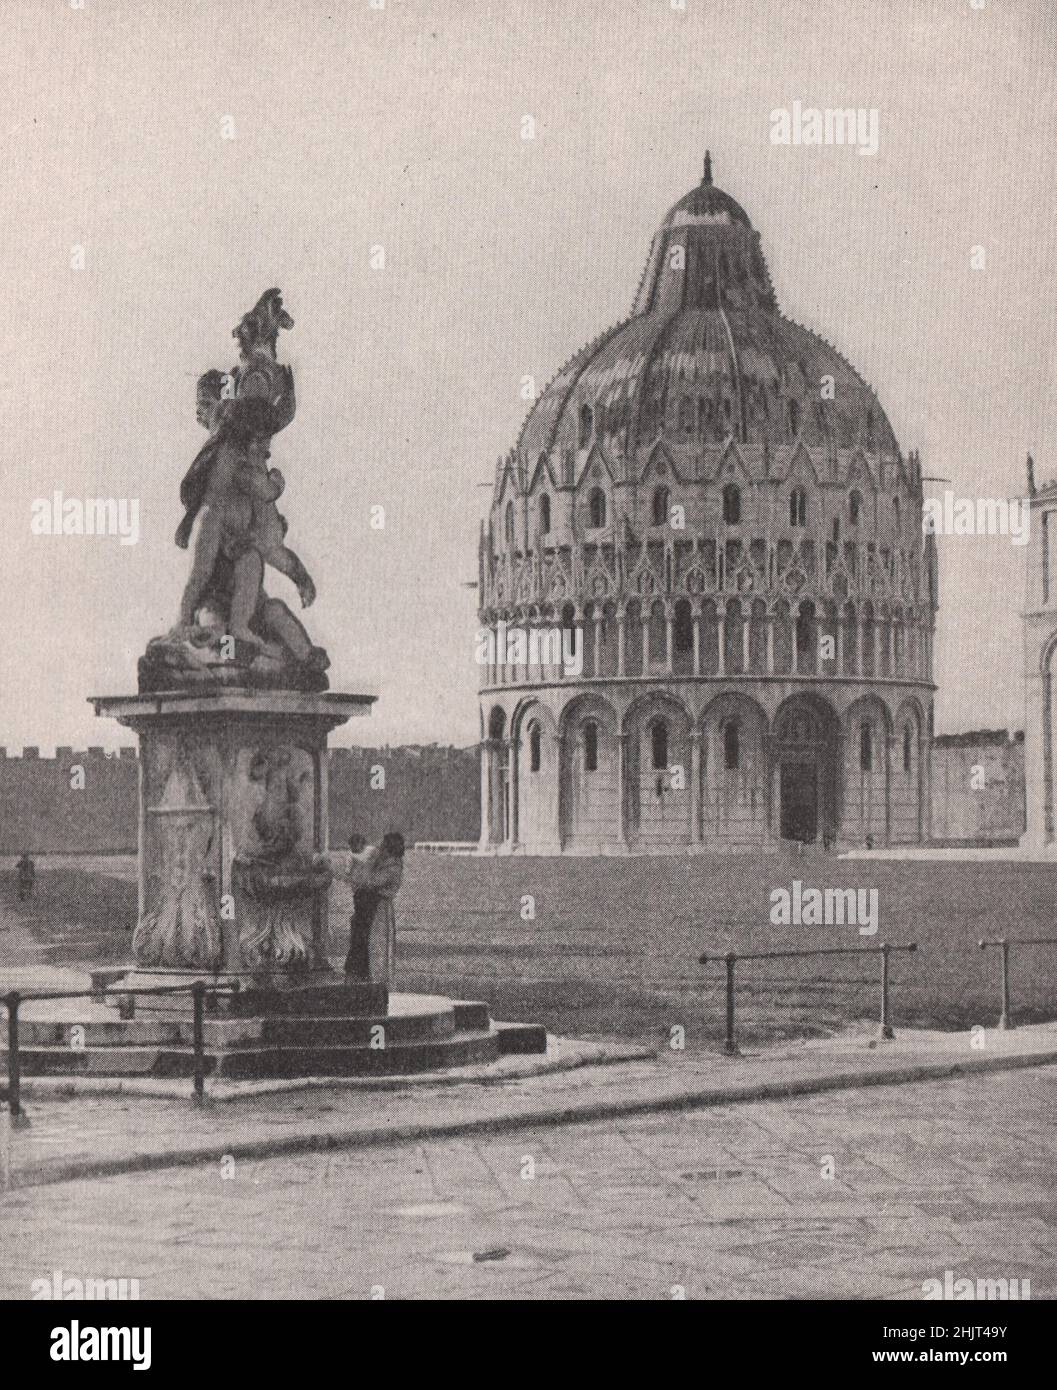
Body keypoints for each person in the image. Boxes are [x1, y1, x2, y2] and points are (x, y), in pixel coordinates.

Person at [343, 832, 405, 983]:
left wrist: (363, 865)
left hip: (378, 910)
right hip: (370, 908)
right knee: (363, 943)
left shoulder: (392, 868)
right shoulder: (386, 864)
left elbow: (369, 881)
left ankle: (370, 979)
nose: (379, 847)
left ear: (389, 848)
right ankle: (362, 977)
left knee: (373, 945)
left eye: (383, 845)